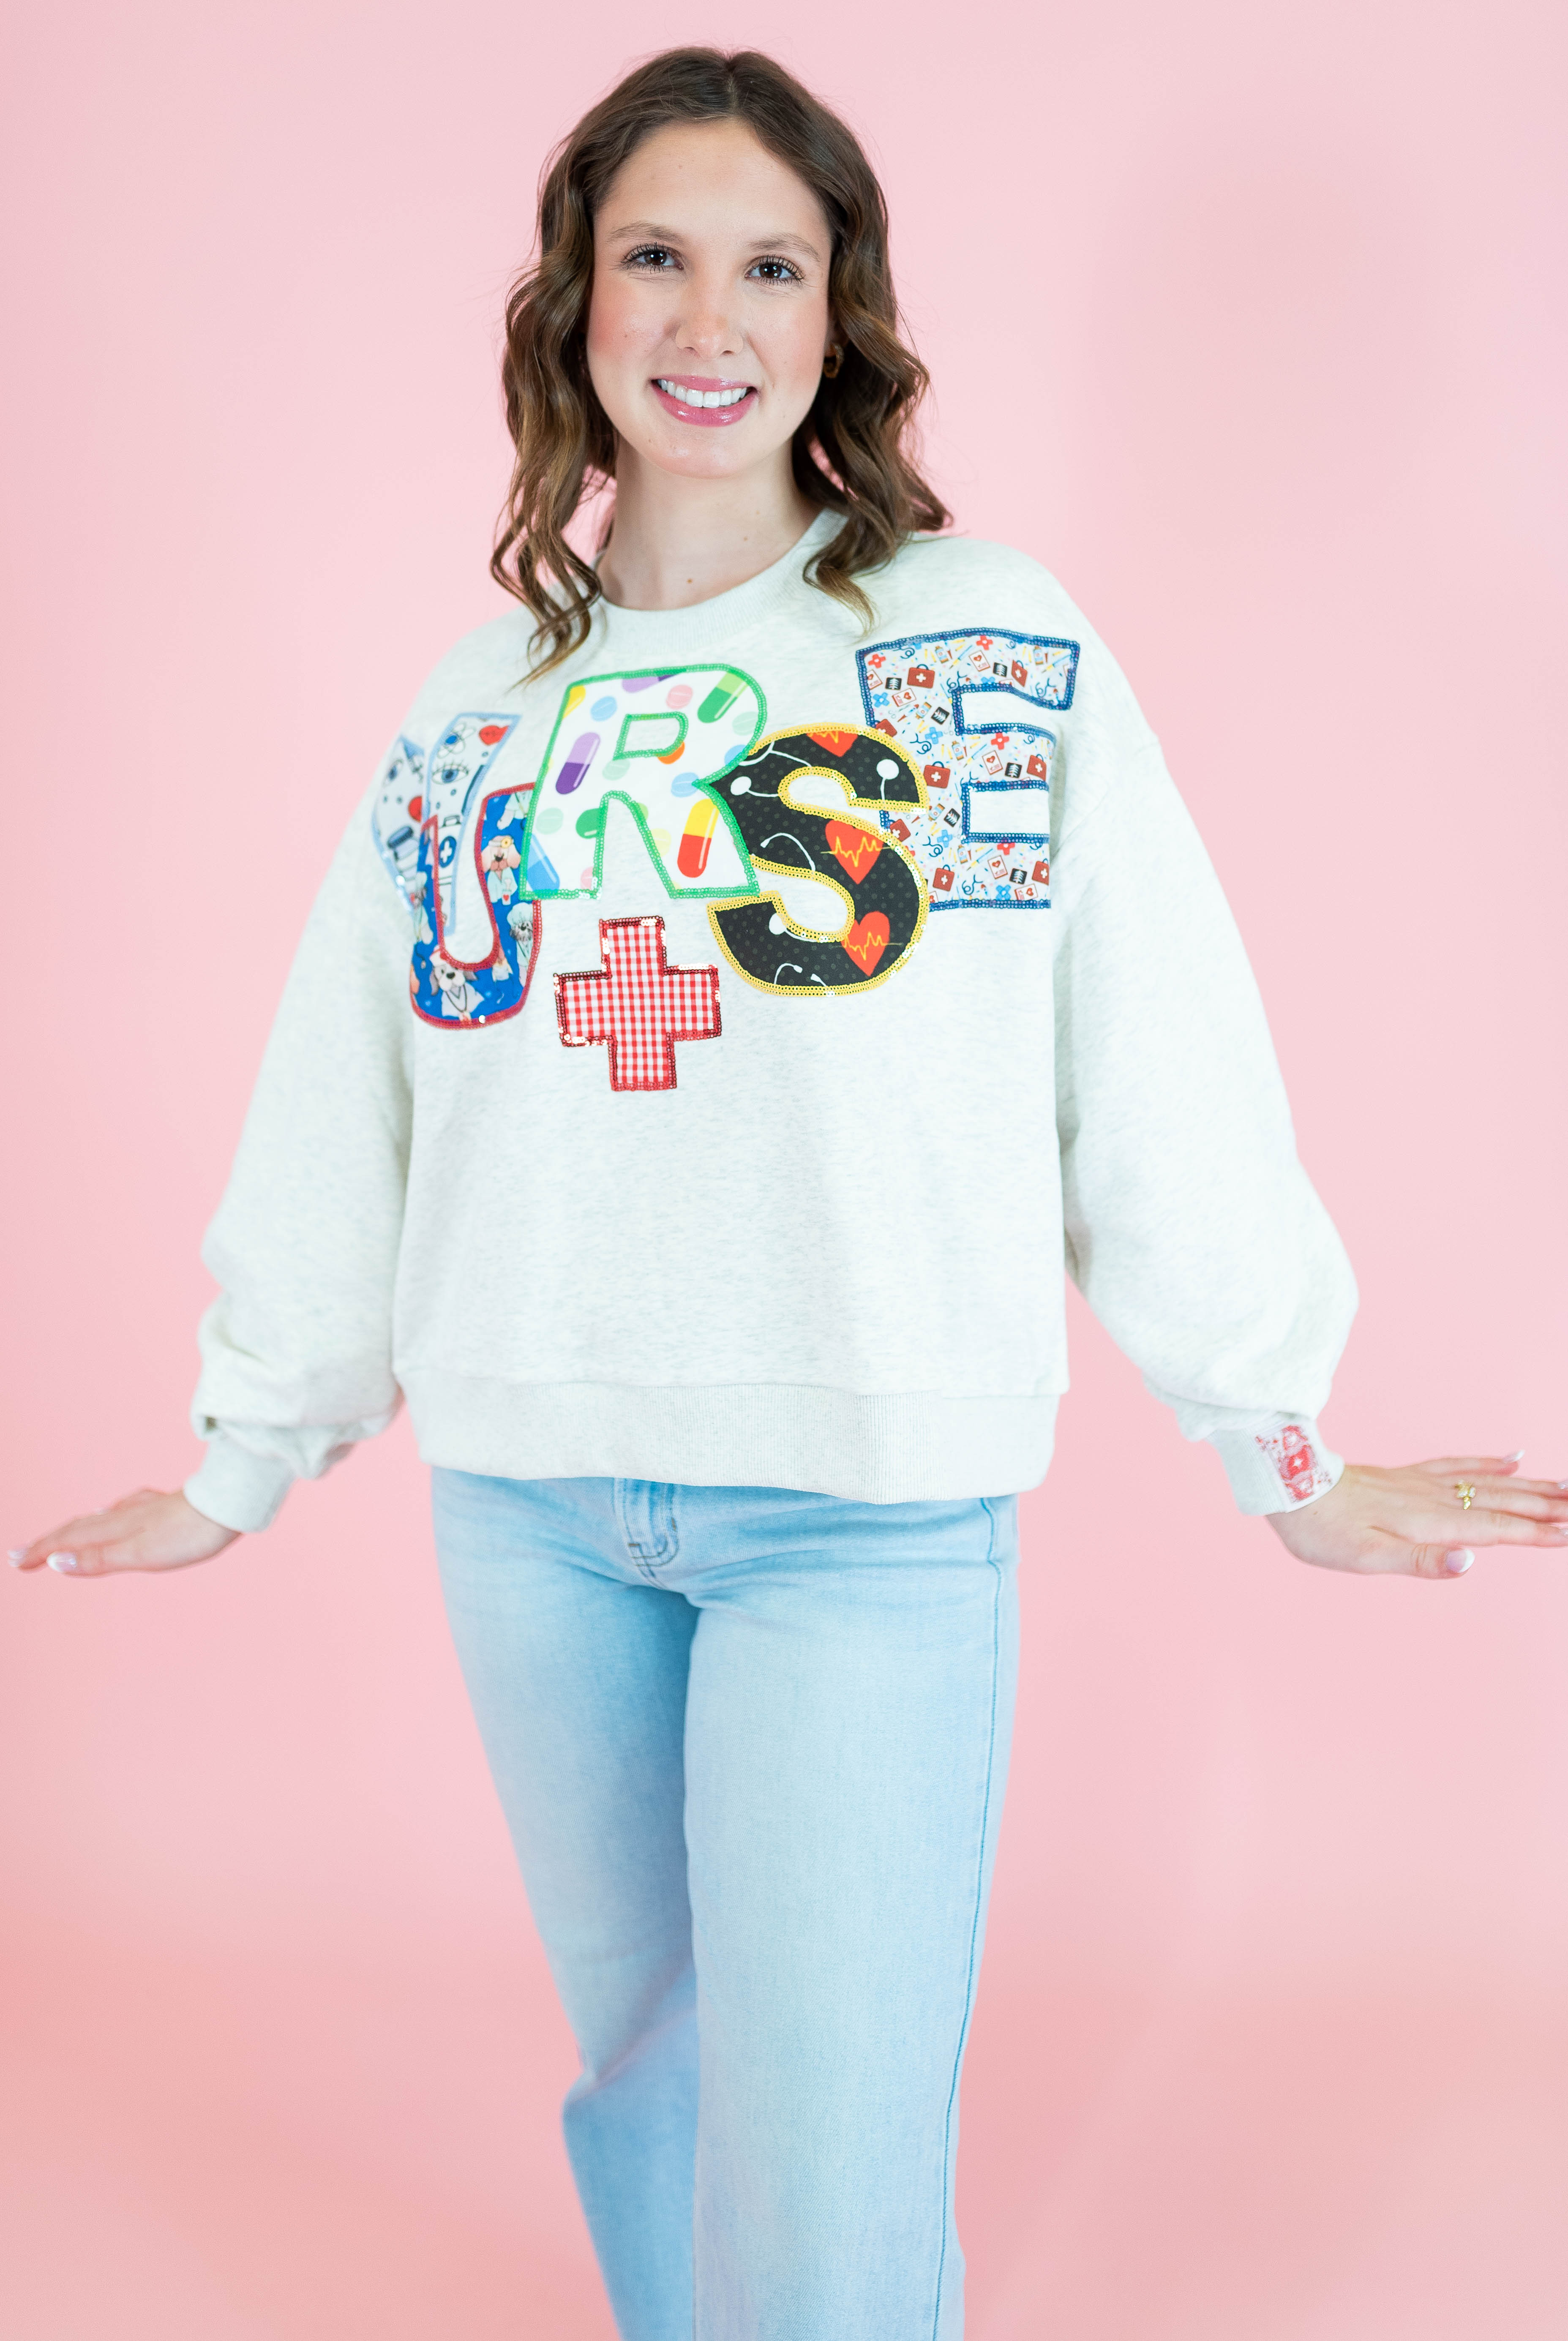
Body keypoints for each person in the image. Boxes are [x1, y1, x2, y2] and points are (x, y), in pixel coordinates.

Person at [13, 46, 1567, 2341]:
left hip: (864, 1522)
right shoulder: (476, 706)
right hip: (531, 1506)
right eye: (656, 255)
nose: (707, 319)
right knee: (660, 2089)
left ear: (842, 319)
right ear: (576, 299)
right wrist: (250, 1446)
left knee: (826, 2211)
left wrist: (1283, 1444)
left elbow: (1148, 1042)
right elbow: (356, 1085)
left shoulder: (976, 644)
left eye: (772, 266)